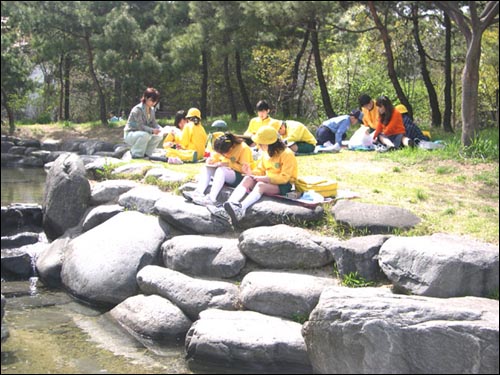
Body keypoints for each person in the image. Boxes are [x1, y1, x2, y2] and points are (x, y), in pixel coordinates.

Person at [209, 125, 298, 225]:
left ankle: (241, 208)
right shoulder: (266, 153)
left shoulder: (287, 154)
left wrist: (265, 179)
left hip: (286, 185)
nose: (258, 146)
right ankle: (230, 205)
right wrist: (250, 173)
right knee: (248, 178)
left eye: (260, 144)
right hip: (269, 180)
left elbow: (284, 178)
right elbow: (260, 170)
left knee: (261, 185)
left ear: (269, 143)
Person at [183, 132, 253, 206]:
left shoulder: (244, 148)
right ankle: (198, 193)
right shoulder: (222, 146)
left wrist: (228, 164)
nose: (222, 155)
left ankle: (211, 199)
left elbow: (245, 169)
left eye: (223, 153)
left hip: (240, 177)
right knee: (208, 167)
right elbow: (216, 157)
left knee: (221, 170)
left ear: (231, 147)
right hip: (227, 172)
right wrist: (211, 160)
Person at [124, 87, 163, 159]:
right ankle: (136, 154)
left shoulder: (152, 109)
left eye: (155, 101)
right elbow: (140, 126)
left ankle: (147, 154)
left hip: (144, 133)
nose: (153, 103)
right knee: (145, 135)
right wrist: (152, 130)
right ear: (145, 97)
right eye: (152, 100)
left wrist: (161, 129)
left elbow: (154, 123)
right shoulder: (137, 109)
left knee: (159, 136)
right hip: (131, 133)